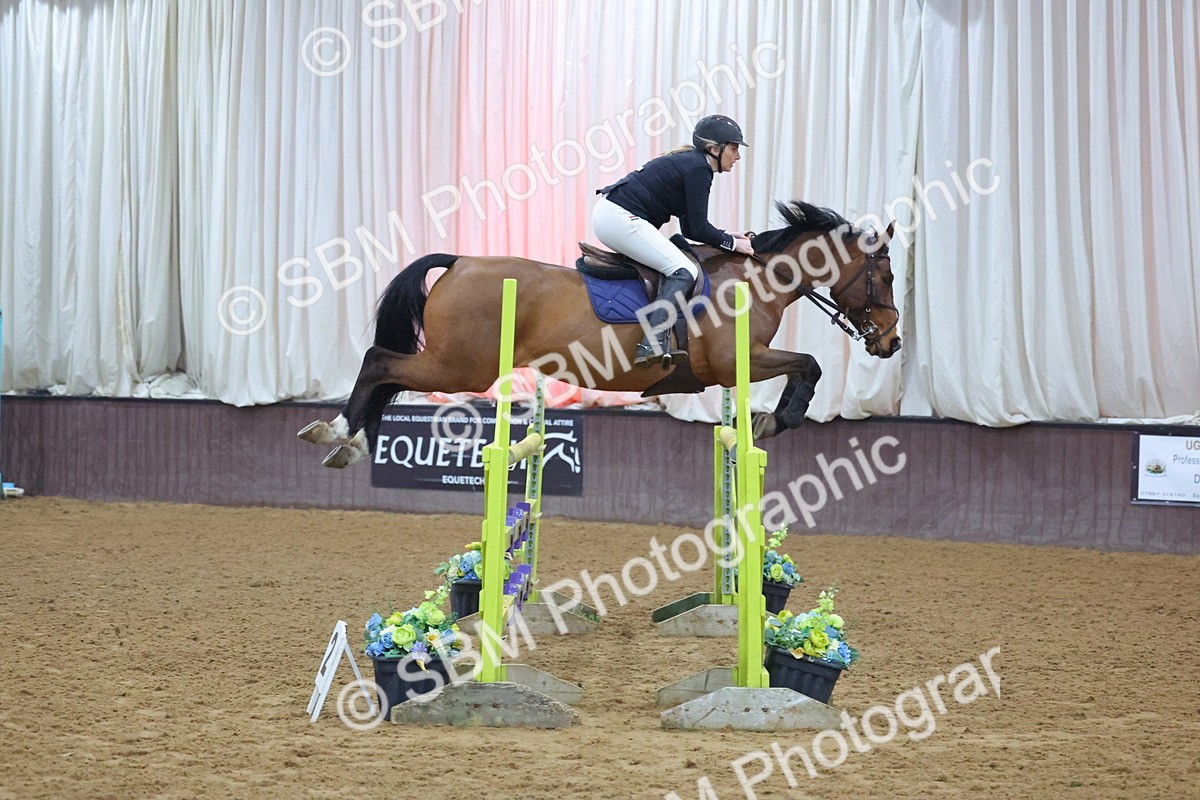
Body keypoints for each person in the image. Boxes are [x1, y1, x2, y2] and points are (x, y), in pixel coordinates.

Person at [593, 114, 754, 367]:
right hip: (620, 218)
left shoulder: (693, 163)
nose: (737, 156)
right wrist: (734, 245)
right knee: (685, 270)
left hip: (612, 215)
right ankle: (652, 342)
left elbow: (691, 228)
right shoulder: (700, 169)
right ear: (714, 149)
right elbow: (699, 228)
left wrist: (727, 236)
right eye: (734, 148)